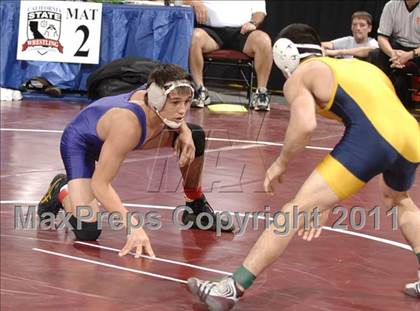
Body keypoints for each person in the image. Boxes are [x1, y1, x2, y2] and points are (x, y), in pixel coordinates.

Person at [186, 23, 420, 310]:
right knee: (398, 200)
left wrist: (281, 163)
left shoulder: (302, 76)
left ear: (285, 55)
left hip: (371, 138)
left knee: (293, 211)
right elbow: (373, 118)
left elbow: (307, 124)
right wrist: (327, 202)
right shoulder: (361, 69)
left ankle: (230, 289)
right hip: (411, 134)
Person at [37, 64, 234, 258]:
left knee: (196, 135)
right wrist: (133, 226)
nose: (182, 110)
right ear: (158, 99)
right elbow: (100, 184)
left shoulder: (156, 92)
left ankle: (196, 207)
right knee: (87, 230)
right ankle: (62, 189)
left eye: (187, 101)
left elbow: (178, 112)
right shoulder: (128, 124)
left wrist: (185, 130)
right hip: (81, 143)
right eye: (175, 103)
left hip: (126, 135)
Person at [184, 0, 272, 111]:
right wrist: (195, 3)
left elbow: (259, 11)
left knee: (264, 41)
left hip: (242, 31)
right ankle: (200, 89)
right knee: (194, 37)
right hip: (211, 31)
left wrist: (253, 23)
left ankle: (261, 93)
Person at [372, 0, 419, 109]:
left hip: (417, 50)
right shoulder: (391, 5)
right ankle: (376, 99)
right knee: (375, 54)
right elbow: (382, 37)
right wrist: (392, 53)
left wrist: (409, 55)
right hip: (397, 48)